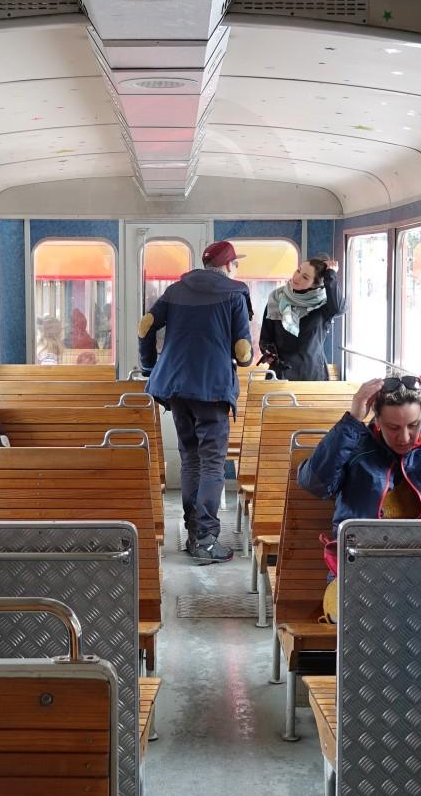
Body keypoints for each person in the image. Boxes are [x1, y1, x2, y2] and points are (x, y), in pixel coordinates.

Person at [140, 240, 253, 563]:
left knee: (190, 458)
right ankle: (205, 539)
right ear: (229, 265)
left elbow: (145, 325)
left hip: (176, 386)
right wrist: (243, 359)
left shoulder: (175, 290)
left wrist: (149, 366)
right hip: (212, 388)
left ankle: (193, 532)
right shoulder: (234, 293)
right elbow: (242, 348)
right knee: (213, 463)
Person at [298, 374, 421, 525]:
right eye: (393, 427)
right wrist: (352, 421)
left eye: (413, 425)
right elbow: (315, 484)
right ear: (377, 421)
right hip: (363, 546)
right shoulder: (353, 447)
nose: (404, 438)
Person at [259, 256, 343, 380]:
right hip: (280, 374)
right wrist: (268, 352)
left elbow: (339, 308)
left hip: (313, 375)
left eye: (305, 277)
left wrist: (331, 275)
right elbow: (265, 338)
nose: (297, 277)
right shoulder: (277, 300)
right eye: (298, 270)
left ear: (315, 284)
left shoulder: (322, 305)